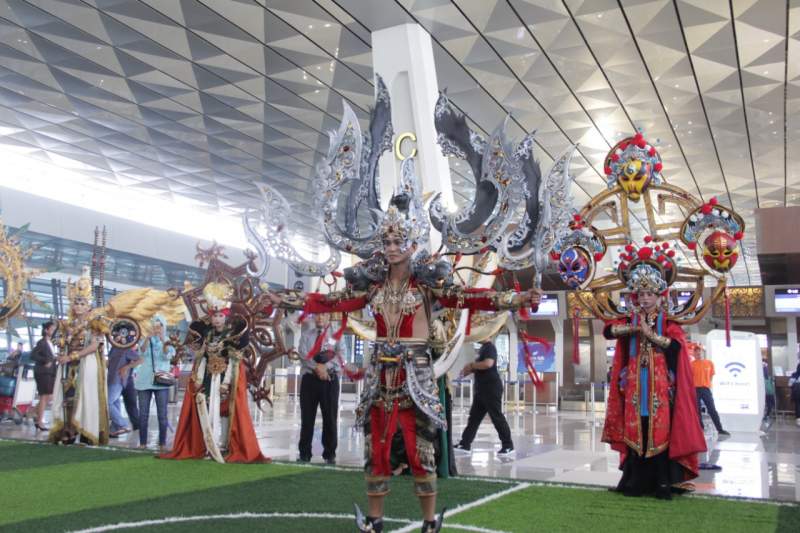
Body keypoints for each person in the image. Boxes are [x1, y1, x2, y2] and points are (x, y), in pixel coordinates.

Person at [268, 198, 541, 533]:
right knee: (375, 449)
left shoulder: (427, 284)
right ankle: (375, 519)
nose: (392, 248)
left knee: (421, 450)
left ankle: (429, 521)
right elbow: (331, 301)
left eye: (398, 241)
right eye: (386, 242)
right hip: (380, 376)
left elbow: (469, 297)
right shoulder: (373, 286)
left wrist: (516, 298)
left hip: (417, 374)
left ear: (412, 244)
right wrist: (287, 299)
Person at [602, 247, 706, 500]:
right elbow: (608, 331)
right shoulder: (630, 318)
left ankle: (662, 482)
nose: (645, 298)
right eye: (641, 294)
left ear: (660, 297)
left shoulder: (668, 322)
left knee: (660, 431)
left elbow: (677, 347)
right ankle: (634, 482)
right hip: (634, 386)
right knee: (635, 429)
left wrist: (651, 335)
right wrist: (632, 329)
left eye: (650, 294)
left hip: (660, 387)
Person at [161, 282, 268, 463]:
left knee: (226, 409)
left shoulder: (233, 334)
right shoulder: (207, 334)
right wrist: (198, 378)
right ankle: (208, 443)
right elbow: (202, 358)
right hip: (208, 377)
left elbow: (234, 361)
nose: (217, 319)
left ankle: (225, 444)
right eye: (214, 316)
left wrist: (226, 383)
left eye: (220, 315)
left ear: (225, 316)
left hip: (226, 376)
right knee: (207, 407)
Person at [50, 266, 110, 445]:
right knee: (67, 397)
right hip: (67, 365)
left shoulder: (95, 323)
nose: (79, 306)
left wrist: (72, 356)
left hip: (86, 364)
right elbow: (60, 342)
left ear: (88, 306)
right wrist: (61, 348)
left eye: (82, 303)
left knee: (85, 397)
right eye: (76, 303)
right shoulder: (67, 324)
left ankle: (86, 431)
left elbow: (94, 345)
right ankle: (68, 430)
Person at [297, 313, 343, 464]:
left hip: (329, 380)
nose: (320, 318)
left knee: (330, 418)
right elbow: (303, 355)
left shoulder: (336, 335)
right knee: (307, 418)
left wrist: (325, 368)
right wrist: (317, 368)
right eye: (317, 315)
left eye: (323, 315)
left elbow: (341, 355)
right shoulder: (306, 335)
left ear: (329, 316)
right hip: (309, 380)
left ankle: (329, 454)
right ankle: (304, 453)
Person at [454, 340, 514, 455]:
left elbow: (488, 363)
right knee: (474, 418)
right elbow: (478, 367)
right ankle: (465, 444)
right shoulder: (482, 349)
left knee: (496, 417)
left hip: (491, 388)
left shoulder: (489, 347)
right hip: (481, 390)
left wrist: (472, 365)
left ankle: (508, 445)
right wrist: (462, 374)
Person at [132, 316, 174, 451]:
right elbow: (141, 353)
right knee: (143, 414)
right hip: (144, 381)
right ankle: (143, 442)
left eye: (160, 326)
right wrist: (147, 338)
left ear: (163, 327)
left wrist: (163, 341)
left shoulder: (167, 341)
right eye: (155, 326)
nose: (157, 328)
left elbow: (167, 356)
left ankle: (162, 443)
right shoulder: (145, 338)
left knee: (162, 414)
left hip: (161, 381)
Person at [690, 343, 730, 437]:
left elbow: (711, 376)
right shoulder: (691, 364)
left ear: (702, 352)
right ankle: (700, 429)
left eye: (699, 351)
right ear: (694, 354)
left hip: (706, 389)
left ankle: (720, 429)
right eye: (696, 351)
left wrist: (707, 384)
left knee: (712, 409)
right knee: (697, 410)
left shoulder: (709, 363)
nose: (698, 353)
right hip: (695, 389)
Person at [106, 340, 139, 438]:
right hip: (110, 379)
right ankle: (114, 429)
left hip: (118, 380)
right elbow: (109, 362)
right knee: (115, 403)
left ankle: (123, 424)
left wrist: (127, 367)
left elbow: (140, 359)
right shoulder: (113, 348)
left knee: (107, 403)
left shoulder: (126, 348)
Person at [30, 322, 57, 431]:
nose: (54, 332)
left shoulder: (51, 343)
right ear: (46, 330)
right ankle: (39, 421)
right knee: (44, 397)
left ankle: (32, 412)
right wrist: (45, 360)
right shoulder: (42, 342)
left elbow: (51, 357)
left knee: (50, 396)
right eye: (52, 329)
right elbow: (33, 355)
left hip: (50, 372)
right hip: (43, 372)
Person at [790, 360, 800, 427]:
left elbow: (790, 384)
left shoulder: (794, 374)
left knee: (798, 405)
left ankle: (798, 420)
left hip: (797, 392)